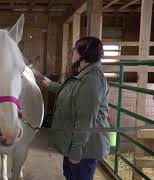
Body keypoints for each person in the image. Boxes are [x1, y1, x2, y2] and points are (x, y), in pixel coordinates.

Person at [41, 36, 110, 180]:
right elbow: (73, 95)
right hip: (73, 142)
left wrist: (76, 151)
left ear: (83, 54)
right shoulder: (83, 75)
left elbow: (86, 119)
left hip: (85, 148)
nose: (72, 53)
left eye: (75, 50)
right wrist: (51, 85)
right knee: (70, 175)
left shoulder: (92, 79)